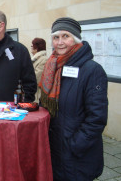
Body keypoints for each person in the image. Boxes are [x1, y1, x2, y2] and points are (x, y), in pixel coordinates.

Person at [39, 17, 108, 180]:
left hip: (76, 155)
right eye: (56, 37)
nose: (60, 42)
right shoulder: (52, 66)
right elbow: (47, 105)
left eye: (65, 36)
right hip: (54, 150)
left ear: (76, 39)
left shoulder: (92, 70)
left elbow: (97, 118)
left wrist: (74, 145)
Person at [31, 38, 47, 103]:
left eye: (32, 46)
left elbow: (37, 78)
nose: (31, 47)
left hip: (37, 95)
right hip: (33, 92)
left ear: (37, 47)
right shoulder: (35, 58)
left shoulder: (43, 59)